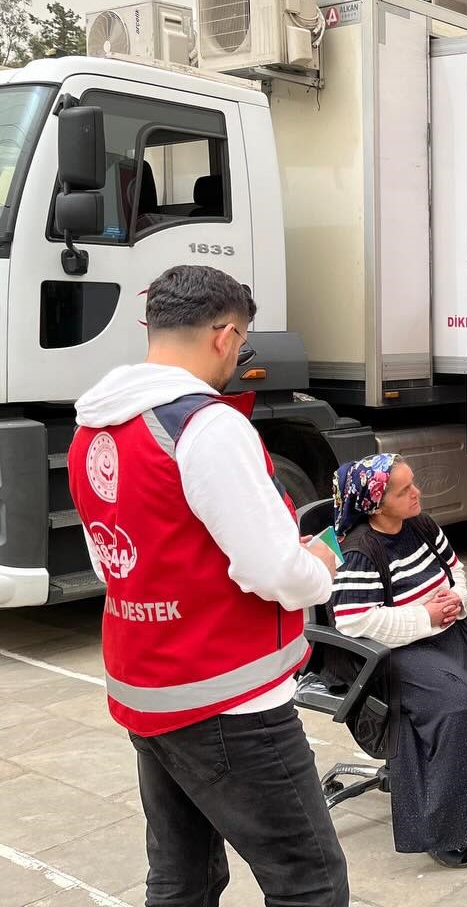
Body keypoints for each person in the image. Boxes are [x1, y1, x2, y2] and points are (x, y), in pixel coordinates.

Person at [67, 264, 348, 907]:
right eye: (242, 344)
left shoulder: (92, 428)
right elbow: (273, 571)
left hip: (149, 690)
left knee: (183, 876)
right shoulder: (207, 425)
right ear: (225, 336)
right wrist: (319, 567)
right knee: (310, 880)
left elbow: (117, 558)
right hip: (230, 700)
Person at [328, 454, 467, 868]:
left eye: (413, 483)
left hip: (447, 631)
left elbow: (455, 570)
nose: (416, 492)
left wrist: (455, 599)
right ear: (375, 502)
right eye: (404, 489)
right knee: (461, 704)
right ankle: (448, 831)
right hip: (399, 652)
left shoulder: (421, 525)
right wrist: (425, 617)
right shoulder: (361, 550)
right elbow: (355, 622)